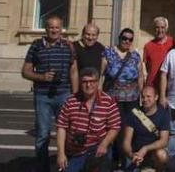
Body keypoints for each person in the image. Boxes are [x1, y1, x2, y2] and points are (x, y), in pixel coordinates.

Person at [21, 14, 76, 172]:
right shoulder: (36, 45)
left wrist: (76, 94)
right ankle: (42, 167)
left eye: (57, 27)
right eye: (51, 27)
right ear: (46, 29)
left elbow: (74, 71)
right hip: (43, 95)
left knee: (67, 133)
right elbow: (25, 71)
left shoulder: (68, 46)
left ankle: (66, 167)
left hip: (64, 94)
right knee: (43, 135)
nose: (54, 30)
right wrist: (41, 77)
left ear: (61, 29)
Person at [55, 67, 121, 172]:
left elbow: (115, 127)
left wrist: (104, 144)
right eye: (85, 82)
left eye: (92, 81)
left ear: (98, 82)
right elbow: (61, 127)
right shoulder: (70, 101)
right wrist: (61, 154)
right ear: (80, 83)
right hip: (75, 151)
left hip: (97, 148)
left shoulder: (108, 101)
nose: (88, 85)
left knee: (104, 162)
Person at [103, 28, 144, 167]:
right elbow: (101, 75)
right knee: (114, 129)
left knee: (128, 129)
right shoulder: (108, 53)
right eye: (124, 38)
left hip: (132, 99)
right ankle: (112, 159)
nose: (127, 41)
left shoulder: (135, 56)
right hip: (113, 99)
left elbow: (140, 76)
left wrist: (142, 94)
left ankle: (126, 160)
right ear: (119, 38)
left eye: (130, 39)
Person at [122, 85, 170, 172]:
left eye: (148, 96)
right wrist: (131, 154)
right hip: (136, 153)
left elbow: (164, 140)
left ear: (156, 97)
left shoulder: (163, 114)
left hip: (153, 152)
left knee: (162, 155)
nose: (145, 99)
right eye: (143, 97)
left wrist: (146, 148)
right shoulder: (134, 114)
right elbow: (126, 141)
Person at [143, 16, 175, 92]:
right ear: (154, 29)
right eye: (157, 27)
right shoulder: (148, 46)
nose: (160, 30)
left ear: (166, 28)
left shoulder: (174, 43)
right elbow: (147, 67)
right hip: (153, 86)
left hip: (169, 86)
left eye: (162, 27)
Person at [71, 23, 106, 89]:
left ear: (97, 36)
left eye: (93, 35)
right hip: (78, 88)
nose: (90, 38)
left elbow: (101, 72)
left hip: (94, 89)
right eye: (88, 34)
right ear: (83, 34)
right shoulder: (74, 47)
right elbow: (73, 72)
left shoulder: (100, 48)